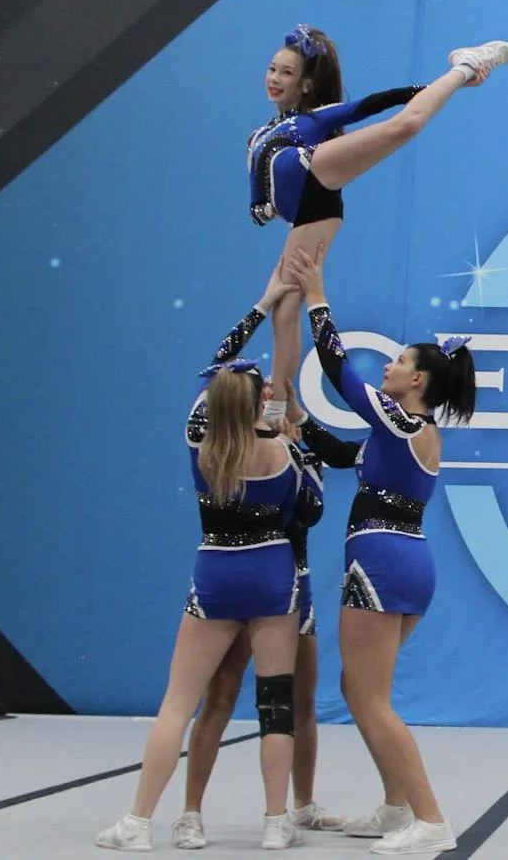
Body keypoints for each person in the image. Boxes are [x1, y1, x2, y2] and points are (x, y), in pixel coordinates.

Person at [97, 289, 316, 852]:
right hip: (273, 575)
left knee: (178, 702)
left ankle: (140, 822)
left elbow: (219, 362)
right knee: (276, 706)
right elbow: (309, 509)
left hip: (217, 571)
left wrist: (264, 305)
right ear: (256, 403)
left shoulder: (202, 440)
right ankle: (274, 823)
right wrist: (298, 446)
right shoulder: (281, 451)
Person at [284, 247, 477, 856]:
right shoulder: (402, 434)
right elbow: (344, 457)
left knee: (368, 698)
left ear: (417, 380)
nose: (389, 367)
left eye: (397, 362)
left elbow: (341, 373)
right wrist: (299, 423)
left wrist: (317, 294)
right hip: (406, 560)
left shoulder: (402, 421)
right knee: (361, 689)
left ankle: (431, 819)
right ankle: (398, 808)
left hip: (382, 562)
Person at [248, 24, 508, 407]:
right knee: (283, 307)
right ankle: (283, 402)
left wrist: (426, 88)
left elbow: (372, 104)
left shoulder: (313, 119)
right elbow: (262, 183)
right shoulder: (262, 133)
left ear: (306, 85)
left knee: (404, 125)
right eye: (273, 69)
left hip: (314, 176)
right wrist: (262, 203)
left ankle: (466, 66)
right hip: (304, 210)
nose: (274, 78)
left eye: (286, 73)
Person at [172, 399, 362, 848]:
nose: (269, 405)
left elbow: (310, 512)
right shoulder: (228, 446)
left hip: (293, 581)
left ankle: (302, 805)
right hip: (243, 583)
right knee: (219, 696)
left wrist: (299, 447)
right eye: (262, 397)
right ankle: (190, 812)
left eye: (275, 399)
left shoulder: (293, 447)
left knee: (300, 700)